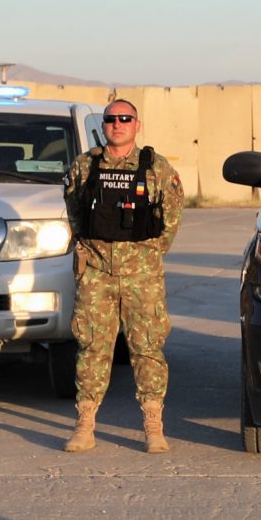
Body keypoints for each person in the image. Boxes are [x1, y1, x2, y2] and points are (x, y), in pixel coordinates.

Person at [61, 98, 185, 454]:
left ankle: (153, 425)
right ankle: (85, 424)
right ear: (103, 125)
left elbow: (171, 218)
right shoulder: (85, 166)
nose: (117, 124)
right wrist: (91, 252)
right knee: (92, 347)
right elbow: (74, 211)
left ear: (137, 124)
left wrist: (145, 256)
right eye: (111, 119)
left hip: (141, 275)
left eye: (125, 118)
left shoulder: (156, 168)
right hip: (97, 272)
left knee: (147, 348)